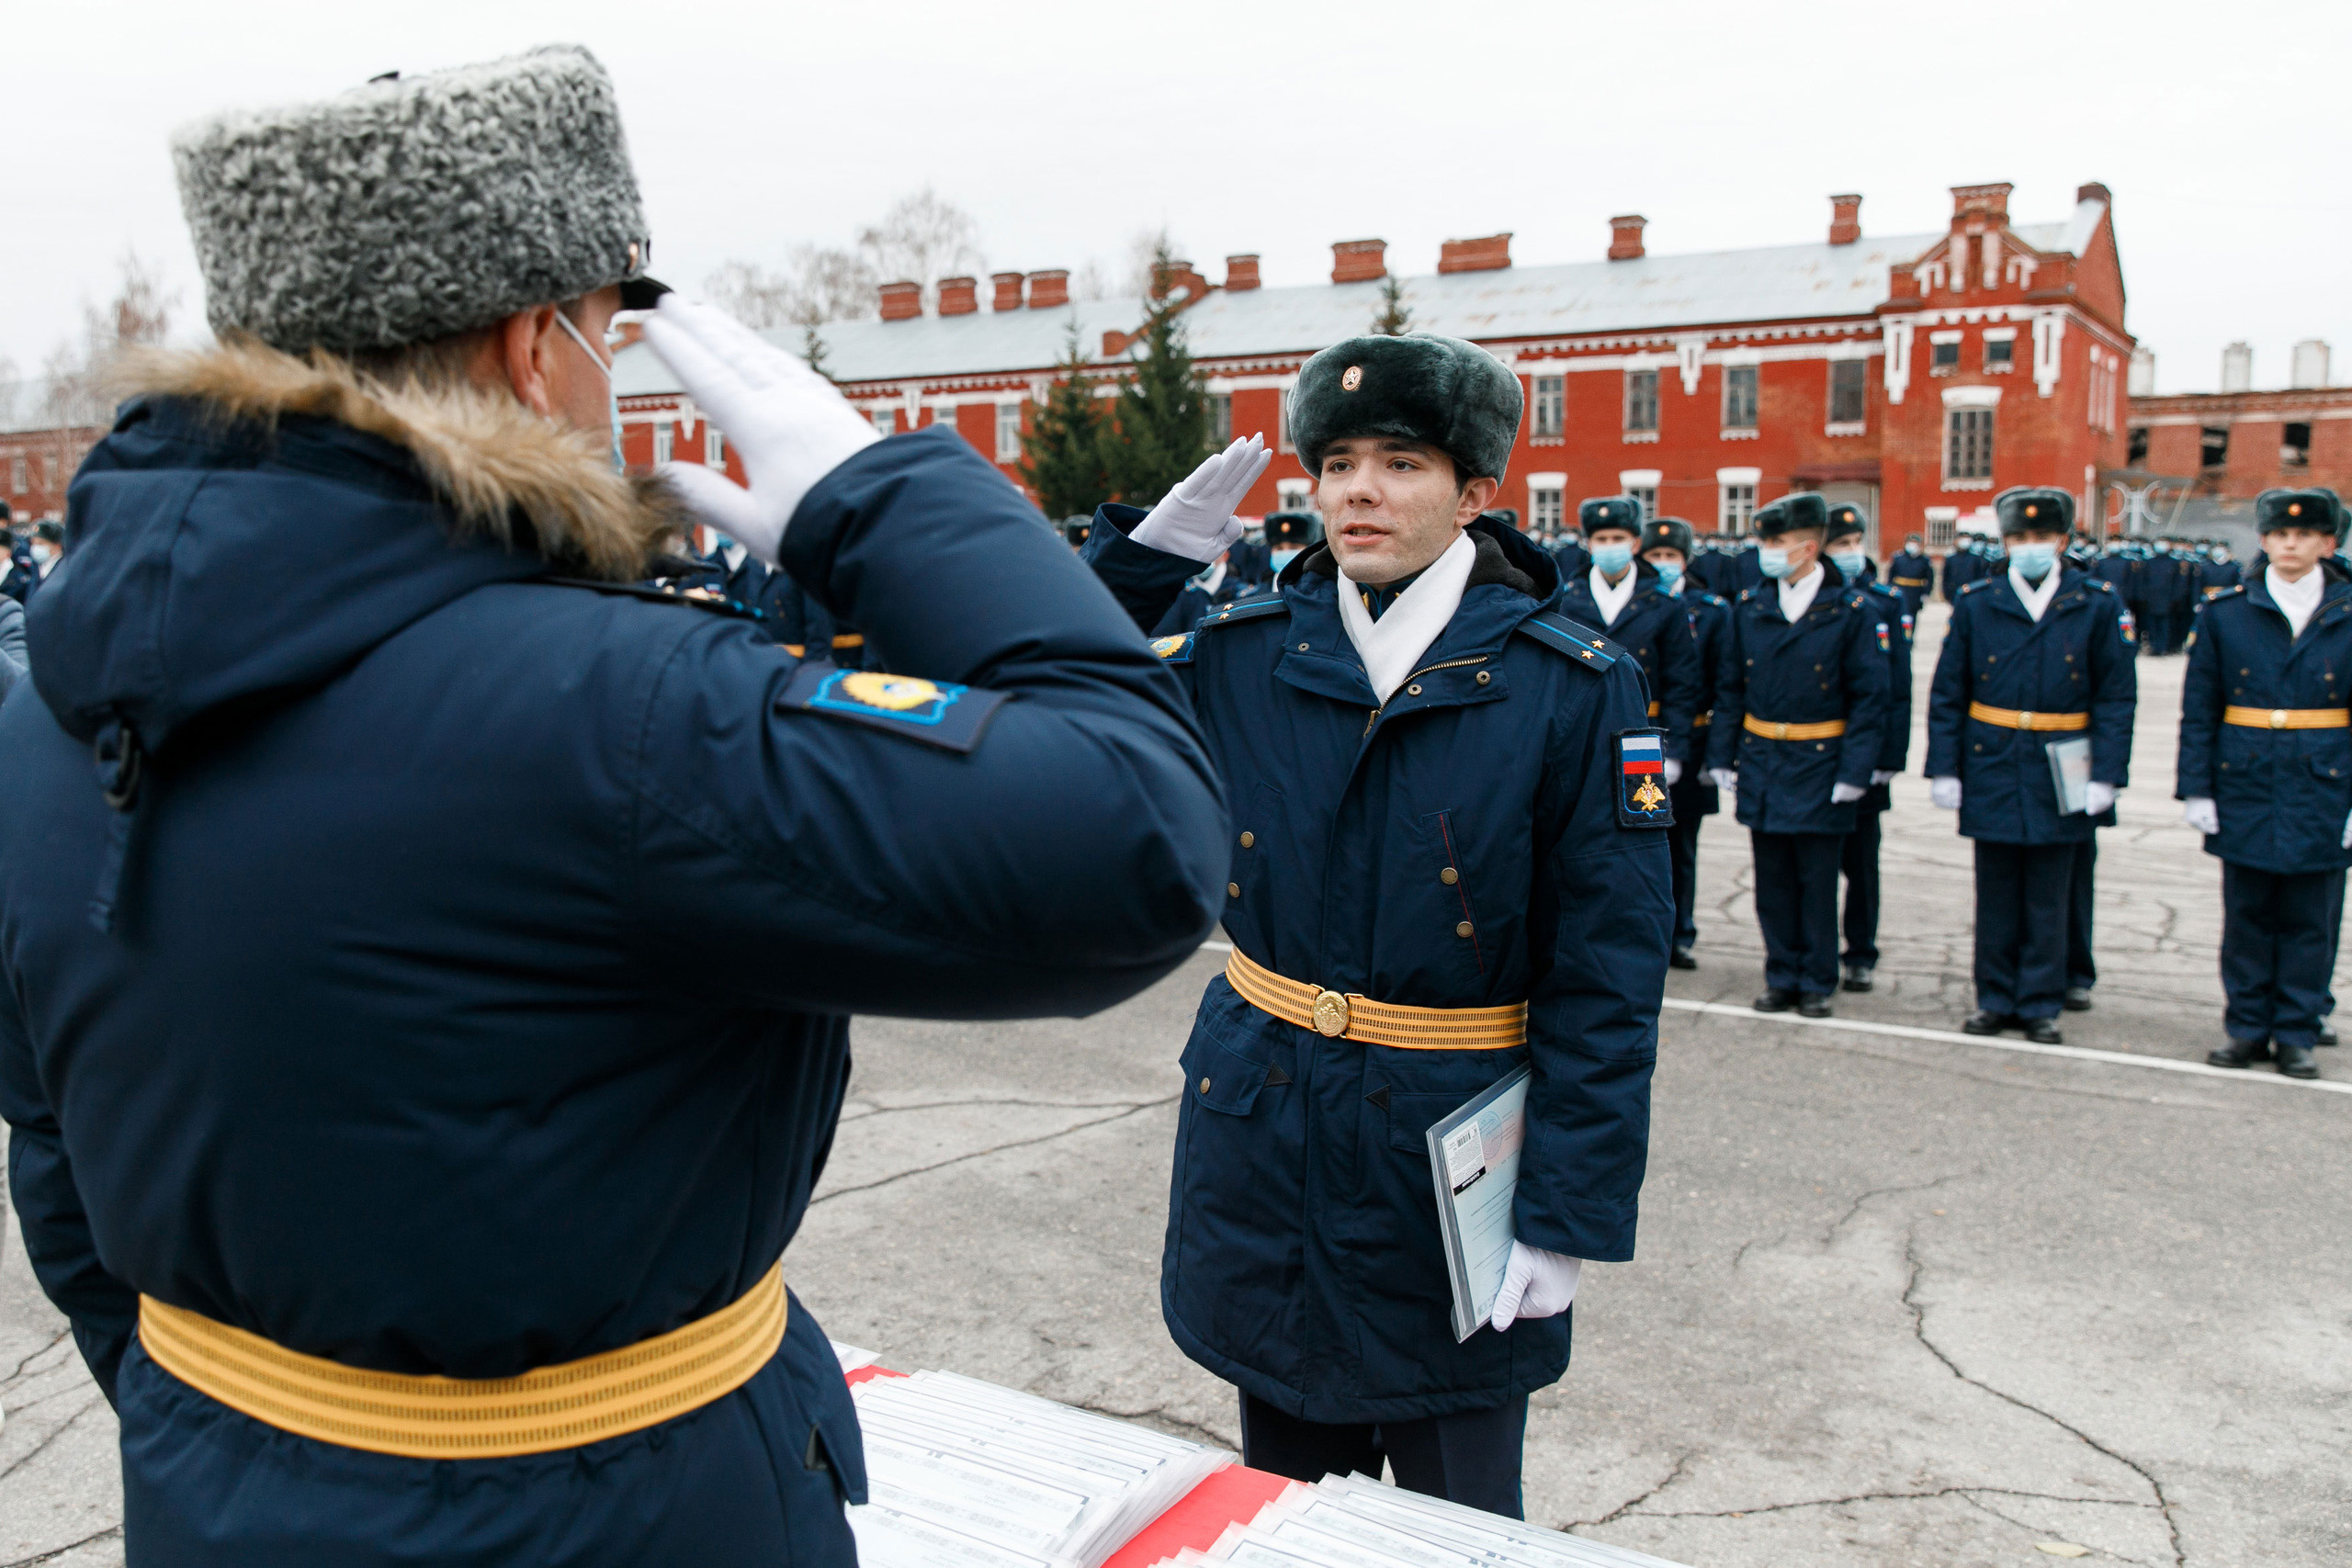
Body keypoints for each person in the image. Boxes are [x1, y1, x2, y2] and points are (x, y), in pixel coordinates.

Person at [0, 50, 1228, 1568]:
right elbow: (1139, 836)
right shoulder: (622, 705)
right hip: (625, 1517)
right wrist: (892, 500)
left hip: (219, 1497)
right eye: (607, 332)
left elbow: (54, 1145)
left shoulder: (51, 700)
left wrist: (257, 1428)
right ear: (536, 348)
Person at [1083, 333, 1668, 1519]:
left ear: (1475, 491)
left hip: (1446, 1155)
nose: (1359, 490)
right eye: (1337, 462)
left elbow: (1609, 971)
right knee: (1285, 1508)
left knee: (1456, 1521)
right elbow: (1053, 691)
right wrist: (1136, 574)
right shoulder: (1243, 648)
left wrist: (1565, 1215)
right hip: (1269, 1127)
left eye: (1401, 463)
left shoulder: (1569, 682)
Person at [1925, 488, 2136, 1043]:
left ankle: (2041, 1001)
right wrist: (1944, 768)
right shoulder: (1977, 601)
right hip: (1993, 759)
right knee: (1996, 891)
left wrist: (2107, 775)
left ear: (2063, 541)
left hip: (2063, 763)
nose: (2029, 547)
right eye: (2018, 537)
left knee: (2049, 892)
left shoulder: (2096, 602)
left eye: (2041, 537)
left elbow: (2116, 697)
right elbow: (1949, 692)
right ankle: (1995, 998)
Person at [2178, 488, 2352, 1079]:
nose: (2291, 544)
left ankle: (2298, 1031)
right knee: (2247, 915)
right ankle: (2248, 1027)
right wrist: (2197, 788)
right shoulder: (2225, 613)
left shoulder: (2346, 612)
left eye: (2305, 535)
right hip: (2246, 781)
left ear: (2328, 543)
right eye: (2280, 534)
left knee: (2311, 918)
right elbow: (2200, 709)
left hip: (2324, 783)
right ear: (2264, 540)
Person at [1705, 492, 1890, 1016]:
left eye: (1776, 541)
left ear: (1808, 547)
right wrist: (1721, 755)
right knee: (1773, 880)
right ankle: (1781, 973)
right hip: (1764, 757)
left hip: (1821, 761)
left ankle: (1816, 979)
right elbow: (1730, 688)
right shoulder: (1751, 607)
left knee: (1816, 880)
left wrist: (1856, 771)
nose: (1766, 550)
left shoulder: (1852, 611)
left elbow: (1870, 699)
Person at [1824, 505, 1913, 991]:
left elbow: (1897, 689)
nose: (1852, 552)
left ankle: (1860, 952)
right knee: (1817, 864)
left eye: (1856, 542)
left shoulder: (1884, 602)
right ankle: (1817, 953)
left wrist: (1888, 759)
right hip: (1816, 754)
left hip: (1866, 752)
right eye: (1841, 544)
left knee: (1861, 865)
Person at [1642, 515, 1730, 968]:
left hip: (1688, 740)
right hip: (1639, 736)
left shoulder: (1711, 611)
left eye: (1671, 555)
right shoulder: (1637, 601)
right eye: (1655, 555)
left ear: (1685, 559)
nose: (1663, 563)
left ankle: (1680, 934)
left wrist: (1713, 753)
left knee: (1681, 848)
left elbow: (1722, 682)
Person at [1562, 495, 1699, 773]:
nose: (1609, 545)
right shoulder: (1567, 600)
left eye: (1618, 538)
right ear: (1589, 544)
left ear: (1635, 544)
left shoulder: (1665, 603)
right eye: (1601, 539)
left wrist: (1673, 749)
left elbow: (1681, 681)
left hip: (1644, 728)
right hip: (1581, 731)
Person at [1886, 530, 1935, 617]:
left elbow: (1930, 578)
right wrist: (1889, 589)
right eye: (1910, 542)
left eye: (1915, 542)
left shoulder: (1924, 560)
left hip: (1915, 593)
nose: (1912, 545)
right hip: (1900, 590)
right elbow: (1891, 576)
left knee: (1911, 617)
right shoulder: (1898, 558)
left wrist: (1926, 593)